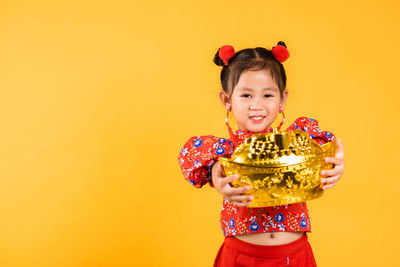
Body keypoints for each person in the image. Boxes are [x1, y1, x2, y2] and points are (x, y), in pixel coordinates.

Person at [177, 42, 345, 266]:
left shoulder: (296, 144)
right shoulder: (226, 153)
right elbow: (196, 160)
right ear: (227, 100)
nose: (257, 105)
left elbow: (325, 150)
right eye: (246, 95)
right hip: (240, 258)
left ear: (282, 99)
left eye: (267, 95)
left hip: (294, 257)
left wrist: (334, 165)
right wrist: (218, 174)